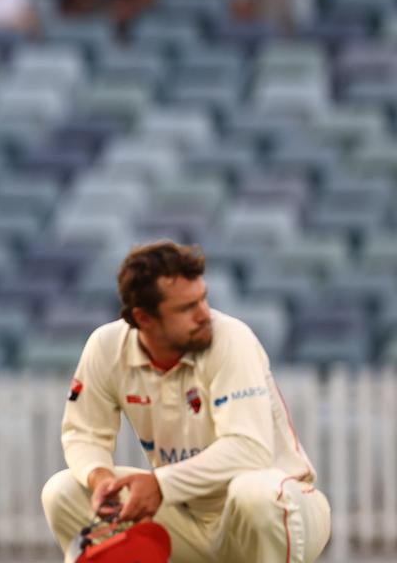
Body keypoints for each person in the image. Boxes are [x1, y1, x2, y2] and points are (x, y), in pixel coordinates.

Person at [41, 241, 331, 563]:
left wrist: (160, 484)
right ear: (144, 318)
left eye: (203, 299)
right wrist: (101, 480)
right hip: (188, 514)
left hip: (284, 506)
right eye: (185, 308)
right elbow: (84, 432)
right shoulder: (106, 346)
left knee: (254, 495)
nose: (204, 314)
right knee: (63, 491)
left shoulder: (231, 339)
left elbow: (250, 450)